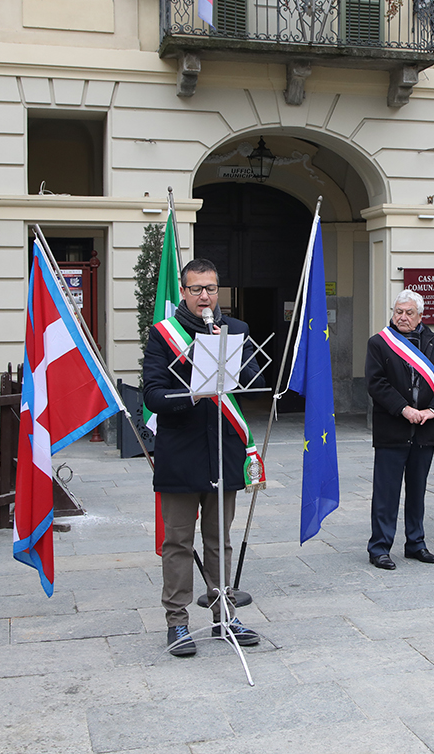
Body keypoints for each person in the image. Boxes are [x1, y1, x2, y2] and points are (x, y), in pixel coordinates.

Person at [141, 258, 262, 657]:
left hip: (224, 451)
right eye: (196, 289)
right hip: (181, 451)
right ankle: (177, 622)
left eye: (211, 288)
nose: (205, 296)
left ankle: (223, 613)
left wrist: (230, 359)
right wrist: (192, 391)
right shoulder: (163, 336)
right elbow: (153, 395)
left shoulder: (236, 330)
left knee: (218, 539)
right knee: (177, 540)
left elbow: (256, 383)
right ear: (184, 291)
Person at [365, 290, 434, 568]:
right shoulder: (380, 343)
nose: (402, 317)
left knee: (417, 491)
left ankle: (416, 542)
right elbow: (376, 383)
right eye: (398, 312)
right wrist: (403, 408)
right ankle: (379, 547)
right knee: (386, 493)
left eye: (409, 313)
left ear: (420, 316)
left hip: (425, 430)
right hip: (392, 429)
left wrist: (433, 410)